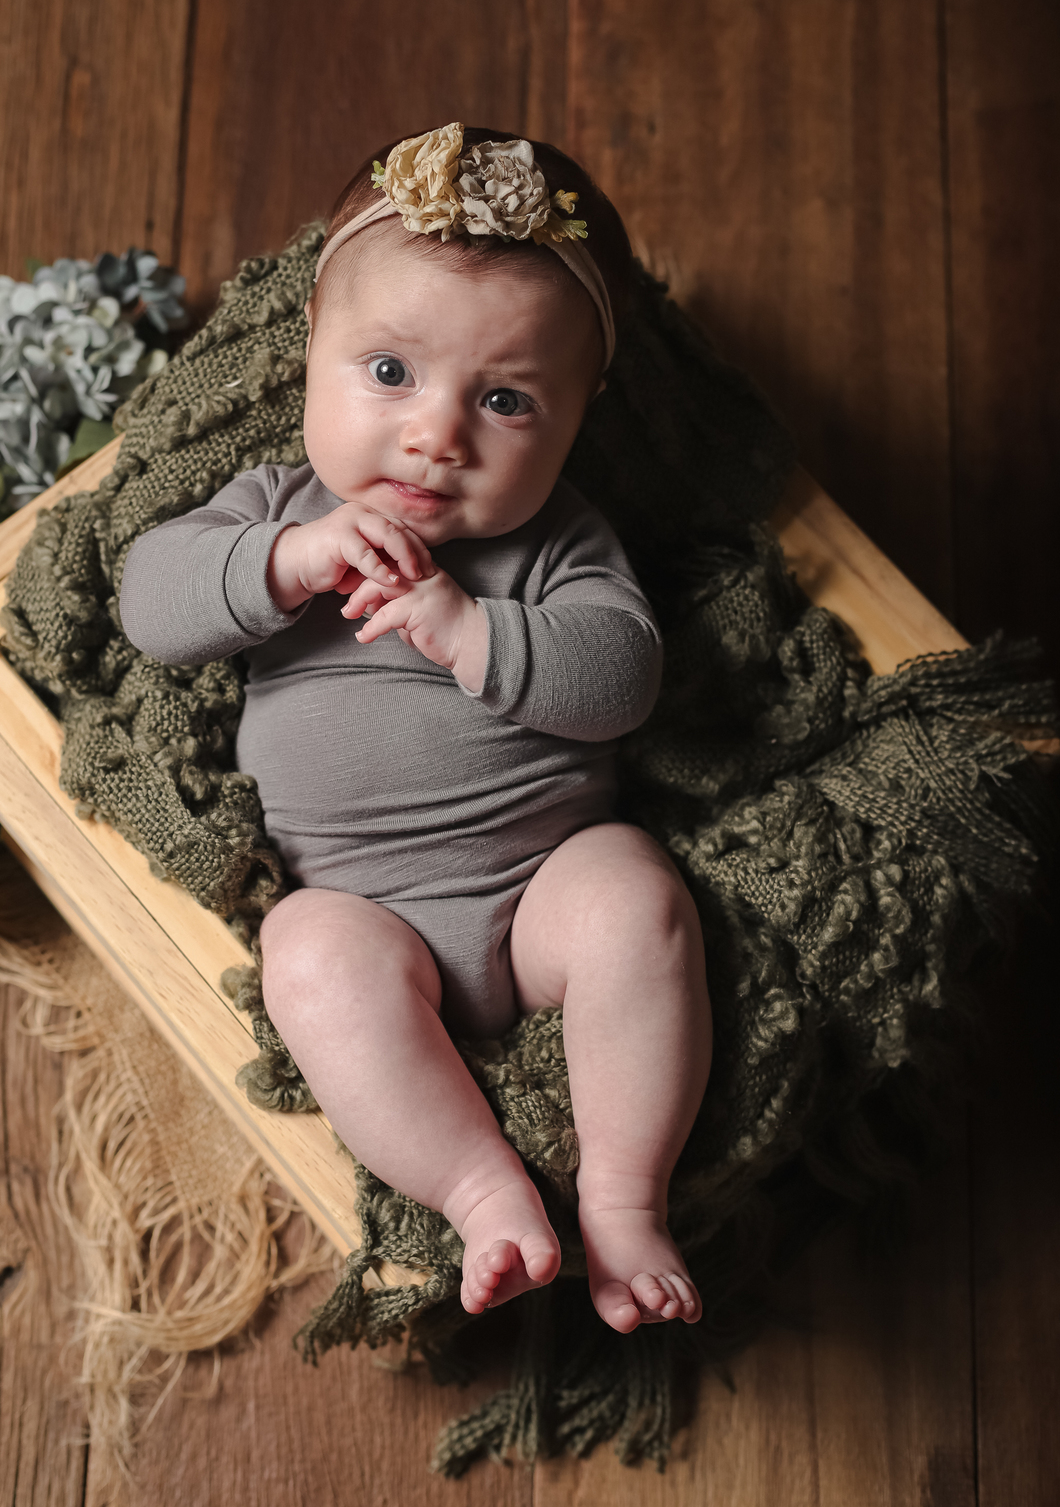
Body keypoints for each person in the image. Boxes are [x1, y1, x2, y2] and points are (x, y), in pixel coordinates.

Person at [119, 124, 712, 1332]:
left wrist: (472, 631)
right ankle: (479, 1190)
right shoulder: (279, 509)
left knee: (635, 897)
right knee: (303, 954)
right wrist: (284, 563)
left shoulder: (557, 542)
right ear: (312, 350)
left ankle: (623, 1199)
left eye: (505, 400)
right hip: (367, 914)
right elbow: (150, 603)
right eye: (389, 371)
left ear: (578, 416)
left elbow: (623, 678)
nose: (439, 436)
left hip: (540, 891)